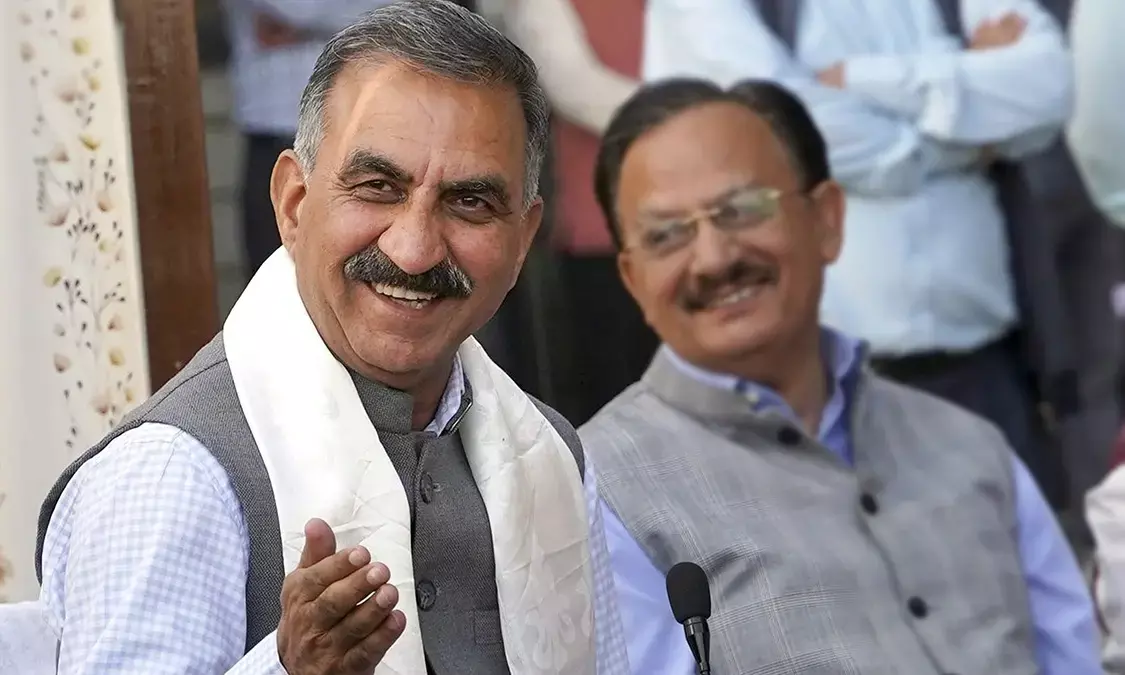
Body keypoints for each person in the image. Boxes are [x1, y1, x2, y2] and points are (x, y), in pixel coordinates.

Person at [31, 2, 627, 673]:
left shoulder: (549, 457)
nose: (413, 250)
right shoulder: (175, 472)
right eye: (377, 187)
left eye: (469, 202)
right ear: (293, 204)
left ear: (522, 240)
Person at [582, 78, 1100, 673]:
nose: (714, 259)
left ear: (826, 219)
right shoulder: (601, 493)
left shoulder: (972, 448)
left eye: (742, 209)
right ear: (632, 280)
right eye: (667, 235)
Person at [640, 0, 1083, 508]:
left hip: (985, 372)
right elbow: (772, 130)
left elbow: (1050, 86)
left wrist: (859, 79)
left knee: (1014, 551)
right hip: (814, 395)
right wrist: (968, 132)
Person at [493, 0, 656, 425]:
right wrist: (690, 112)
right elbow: (572, 84)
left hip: (687, 216)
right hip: (601, 224)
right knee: (613, 387)